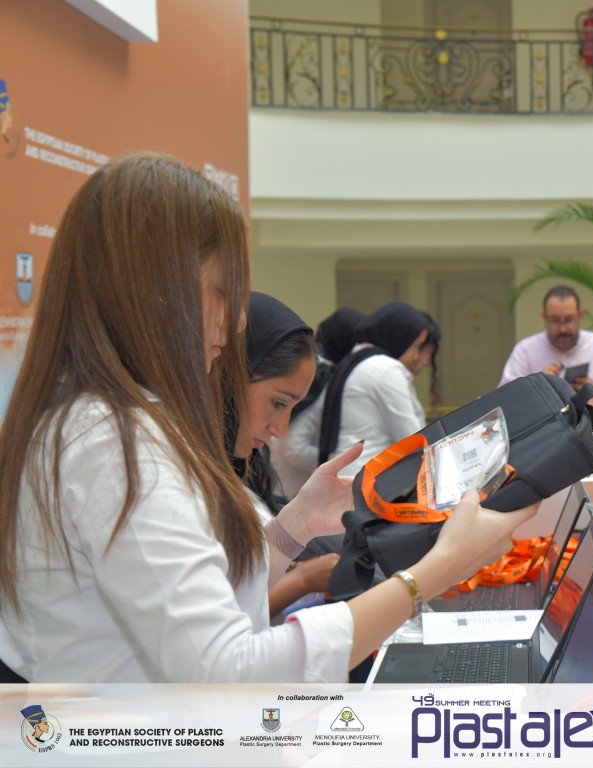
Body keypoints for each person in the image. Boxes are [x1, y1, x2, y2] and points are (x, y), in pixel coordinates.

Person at [0, 152, 536, 683]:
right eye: (223, 292)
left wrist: (296, 525)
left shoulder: (108, 423)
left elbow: (213, 606)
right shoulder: (112, 443)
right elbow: (225, 672)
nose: (236, 321)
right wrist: (438, 569)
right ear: (154, 291)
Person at [229, 291, 338, 618]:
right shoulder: (182, 475)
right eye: (278, 403)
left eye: (292, 408)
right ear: (228, 378)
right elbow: (227, 617)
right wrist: (302, 578)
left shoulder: (241, 468)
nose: (280, 428)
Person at [317, 301, 440, 476]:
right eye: (416, 346)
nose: (416, 356)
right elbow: (413, 439)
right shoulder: (385, 368)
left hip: (351, 474)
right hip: (365, 479)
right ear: (399, 336)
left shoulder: (360, 359)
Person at [270, 306, 365, 497]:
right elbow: (294, 448)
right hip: (291, 492)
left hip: (292, 487)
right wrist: (339, 458)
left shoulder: (325, 373)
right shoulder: (321, 377)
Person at [499, 284, 593, 402]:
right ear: (544, 317)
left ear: (580, 315)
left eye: (569, 320)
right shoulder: (525, 350)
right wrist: (538, 385)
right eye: (555, 321)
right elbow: (504, 399)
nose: (563, 329)